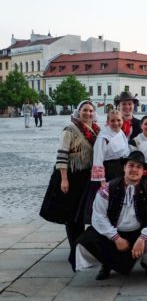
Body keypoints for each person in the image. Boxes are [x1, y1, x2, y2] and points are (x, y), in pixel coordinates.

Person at [75, 151, 147, 279]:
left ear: (143, 171)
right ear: (124, 167)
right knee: (83, 243)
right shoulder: (108, 188)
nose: (134, 169)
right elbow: (98, 217)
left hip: (138, 233)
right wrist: (115, 237)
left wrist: (143, 237)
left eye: (139, 167)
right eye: (131, 165)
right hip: (113, 232)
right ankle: (106, 264)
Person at [40, 101, 100, 269]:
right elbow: (62, 154)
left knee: (81, 214)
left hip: (85, 177)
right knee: (71, 216)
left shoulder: (95, 129)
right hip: (71, 176)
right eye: (84, 110)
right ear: (78, 111)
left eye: (90, 111)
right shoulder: (70, 130)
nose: (87, 113)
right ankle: (75, 251)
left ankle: (82, 249)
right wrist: (64, 178)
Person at [80, 109, 130, 224]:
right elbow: (98, 160)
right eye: (113, 121)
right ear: (108, 122)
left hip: (120, 172)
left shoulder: (120, 133)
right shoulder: (103, 137)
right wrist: (102, 183)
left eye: (119, 120)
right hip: (109, 173)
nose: (116, 123)